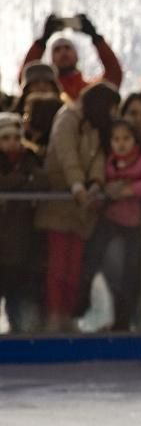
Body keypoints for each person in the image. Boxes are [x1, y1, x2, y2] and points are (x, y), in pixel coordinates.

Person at [34, 82, 121, 332]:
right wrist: (77, 187)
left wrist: (95, 183)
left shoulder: (96, 126)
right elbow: (66, 155)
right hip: (60, 205)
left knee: (74, 268)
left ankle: (68, 315)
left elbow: (98, 158)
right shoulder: (68, 118)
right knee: (58, 266)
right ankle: (54, 315)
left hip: (84, 209)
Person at [76, 119, 141, 330]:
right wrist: (103, 192)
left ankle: (124, 320)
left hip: (136, 225)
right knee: (92, 260)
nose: (121, 144)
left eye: (126, 139)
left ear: (135, 140)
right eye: (116, 139)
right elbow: (100, 184)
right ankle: (81, 305)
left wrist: (127, 190)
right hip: (110, 220)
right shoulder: (108, 161)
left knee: (131, 272)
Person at [0, 112, 48, 332]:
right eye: (5, 138)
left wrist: (22, 182)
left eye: (16, 138)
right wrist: (21, 180)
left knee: (18, 294)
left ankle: (20, 333)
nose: (12, 143)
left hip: (21, 241)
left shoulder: (29, 158)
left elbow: (41, 180)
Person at [19, 14, 122, 101]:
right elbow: (25, 78)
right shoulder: (46, 91)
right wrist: (41, 42)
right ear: (51, 59)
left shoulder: (89, 90)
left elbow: (113, 77)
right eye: (57, 50)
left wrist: (96, 38)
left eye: (67, 48)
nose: (63, 52)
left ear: (77, 56)